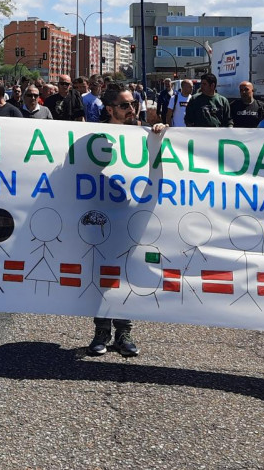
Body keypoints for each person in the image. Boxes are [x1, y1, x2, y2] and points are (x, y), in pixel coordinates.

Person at [86, 87, 168, 357]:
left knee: (127, 274)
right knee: (103, 275)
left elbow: (160, 167)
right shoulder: (96, 138)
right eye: (124, 106)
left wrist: (159, 136)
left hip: (134, 217)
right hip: (103, 216)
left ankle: (123, 332)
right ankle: (101, 331)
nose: (131, 109)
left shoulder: (145, 134)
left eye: (133, 104)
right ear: (109, 110)